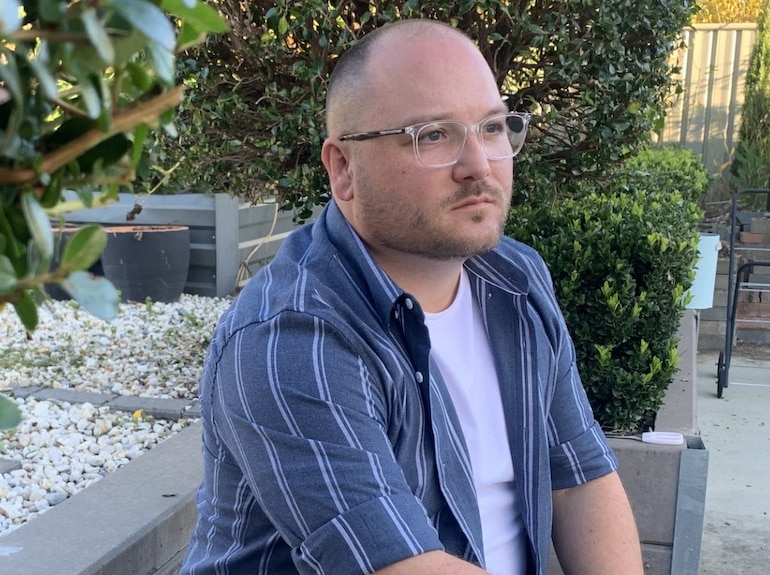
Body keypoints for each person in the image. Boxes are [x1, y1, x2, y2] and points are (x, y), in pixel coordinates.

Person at [180, 18, 643, 575]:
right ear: (343, 168)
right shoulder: (289, 337)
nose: (478, 167)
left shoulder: (515, 279)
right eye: (434, 136)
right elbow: (399, 566)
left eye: (493, 128)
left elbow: (579, 478)